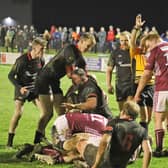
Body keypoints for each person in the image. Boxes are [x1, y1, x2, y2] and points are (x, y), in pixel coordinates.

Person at [33, 34, 96, 144]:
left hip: (54, 81)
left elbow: (85, 75)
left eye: (90, 47)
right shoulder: (70, 49)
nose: (88, 49)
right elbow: (70, 74)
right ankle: (38, 137)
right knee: (48, 113)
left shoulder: (80, 57)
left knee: (62, 112)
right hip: (44, 79)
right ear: (81, 41)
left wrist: (92, 84)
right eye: (87, 45)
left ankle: (61, 138)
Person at [7, 37, 46, 148]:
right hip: (22, 88)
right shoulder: (22, 60)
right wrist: (20, 88)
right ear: (34, 48)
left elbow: (40, 75)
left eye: (44, 49)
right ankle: (9, 141)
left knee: (45, 113)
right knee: (18, 113)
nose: (43, 51)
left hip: (34, 89)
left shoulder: (41, 60)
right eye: (41, 49)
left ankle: (38, 139)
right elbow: (10, 76)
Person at [134, 32, 168, 156]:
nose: (146, 48)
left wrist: (137, 93)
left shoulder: (155, 50)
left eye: (146, 45)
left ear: (152, 40)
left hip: (163, 88)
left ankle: (159, 149)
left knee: (158, 118)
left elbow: (147, 75)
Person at [91, 101, 152, 168]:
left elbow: (104, 142)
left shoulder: (114, 123)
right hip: (122, 164)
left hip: (107, 162)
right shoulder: (142, 130)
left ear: (123, 112)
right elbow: (148, 151)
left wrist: (96, 164)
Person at [130, 14, 154, 134]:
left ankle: (139, 135)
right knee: (144, 117)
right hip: (139, 86)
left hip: (151, 87)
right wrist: (136, 28)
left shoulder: (155, 54)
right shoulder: (137, 52)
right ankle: (142, 140)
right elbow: (132, 41)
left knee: (148, 119)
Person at [106, 31, 134, 111]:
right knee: (122, 111)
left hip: (132, 85)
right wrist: (109, 85)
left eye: (126, 40)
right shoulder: (115, 53)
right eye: (122, 40)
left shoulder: (134, 52)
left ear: (130, 40)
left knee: (129, 109)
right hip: (120, 86)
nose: (124, 42)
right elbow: (109, 70)